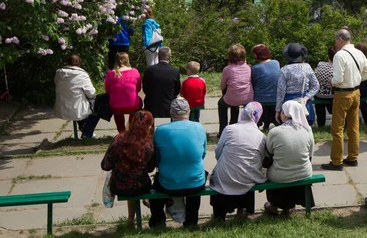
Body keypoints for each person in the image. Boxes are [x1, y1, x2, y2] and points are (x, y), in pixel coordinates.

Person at [149, 97, 207, 228]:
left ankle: (158, 222)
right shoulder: (199, 128)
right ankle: (191, 222)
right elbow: (202, 154)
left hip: (168, 183)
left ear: (171, 112)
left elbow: (157, 158)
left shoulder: (161, 130)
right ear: (189, 111)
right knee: (196, 179)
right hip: (195, 183)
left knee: (155, 187)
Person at [322, 30, 367, 171]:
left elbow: (338, 79)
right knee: (353, 126)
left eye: (335, 40)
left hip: (343, 94)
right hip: (356, 92)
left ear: (340, 39)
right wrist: (355, 79)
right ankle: (352, 157)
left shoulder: (339, 55)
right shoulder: (359, 52)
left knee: (337, 129)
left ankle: (337, 161)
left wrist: (331, 82)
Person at [210, 102, 267, 221]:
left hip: (224, 178)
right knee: (249, 170)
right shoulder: (261, 136)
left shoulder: (229, 129)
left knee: (223, 171)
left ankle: (219, 215)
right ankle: (244, 210)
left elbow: (218, 152)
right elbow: (260, 159)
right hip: (248, 180)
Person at [101, 110, 155, 227]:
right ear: (149, 126)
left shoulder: (118, 139)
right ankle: (149, 208)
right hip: (141, 186)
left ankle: (131, 219)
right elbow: (150, 168)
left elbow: (105, 165)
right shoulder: (149, 144)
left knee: (128, 179)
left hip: (119, 186)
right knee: (137, 180)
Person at [264, 100, 315, 216]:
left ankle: (274, 206)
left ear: (285, 114)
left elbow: (269, 151)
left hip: (280, 175)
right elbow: (310, 153)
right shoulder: (307, 130)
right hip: (303, 172)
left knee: (273, 168)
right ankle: (290, 207)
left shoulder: (275, 132)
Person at [54, 54, 99, 139]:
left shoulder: (58, 73)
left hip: (61, 108)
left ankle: (83, 127)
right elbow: (91, 92)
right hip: (76, 108)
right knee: (97, 105)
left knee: (77, 100)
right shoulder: (82, 75)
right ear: (79, 63)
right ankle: (87, 131)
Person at [275, 43, 319, 125]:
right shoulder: (307, 67)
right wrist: (307, 97)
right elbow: (316, 86)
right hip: (304, 101)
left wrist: (278, 110)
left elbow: (281, 92)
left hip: (288, 103)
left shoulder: (284, 70)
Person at [218, 44, 254, 137]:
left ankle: (223, 130)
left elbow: (222, 87)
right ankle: (234, 124)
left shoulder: (227, 69)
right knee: (235, 104)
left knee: (221, 104)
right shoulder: (249, 67)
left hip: (232, 98)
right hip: (247, 97)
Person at [104, 52, 142, 133]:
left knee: (117, 107)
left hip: (115, 106)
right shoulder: (135, 71)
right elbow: (138, 89)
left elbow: (107, 91)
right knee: (138, 102)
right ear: (127, 60)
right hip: (133, 106)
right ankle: (131, 128)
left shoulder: (110, 73)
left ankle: (121, 131)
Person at [142, 47, 180, 119]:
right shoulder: (175, 71)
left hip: (151, 104)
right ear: (169, 57)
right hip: (169, 105)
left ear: (158, 56)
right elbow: (177, 90)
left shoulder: (149, 70)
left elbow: (145, 88)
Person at [251, 44, 280, 130]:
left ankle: (261, 122)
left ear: (257, 55)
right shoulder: (276, 63)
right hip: (275, 97)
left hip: (260, 99)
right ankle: (268, 123)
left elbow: (253, 83)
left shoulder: (256, 68)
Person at [314, 46, 338, 128]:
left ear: (328, 56)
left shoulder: (320, 64)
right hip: (332, 96)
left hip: (318, 95)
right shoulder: (337, 68)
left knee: (319, 97)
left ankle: (321, 124)